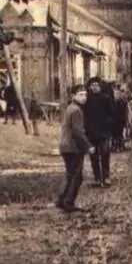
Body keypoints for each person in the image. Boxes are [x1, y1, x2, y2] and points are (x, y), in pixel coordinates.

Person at [56, 85, 92, 213]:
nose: (84, 97)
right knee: (77, 176)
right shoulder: (77, 110)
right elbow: (78, 132)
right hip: (73, 147)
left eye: (85, 95)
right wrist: (88, 146)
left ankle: (61, 199)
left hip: (65, 146)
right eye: (80, 95)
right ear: (73, 96)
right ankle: (69, 202)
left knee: (70, 175)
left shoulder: (70, 108)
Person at [85, 78, 114, 187]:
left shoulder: (105, 98)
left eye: (97, 85)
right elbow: (85, 116)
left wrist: (108, 124)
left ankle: (106, 177)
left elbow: (112, 113)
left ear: (100, 87)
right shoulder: (87, 100)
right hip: (91, 132)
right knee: (93, 156)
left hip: (104, 132)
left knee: (105, 153)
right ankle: (97, 177)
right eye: (93, 85)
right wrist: (87, 127)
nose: (95, 87)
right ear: (90, 87)